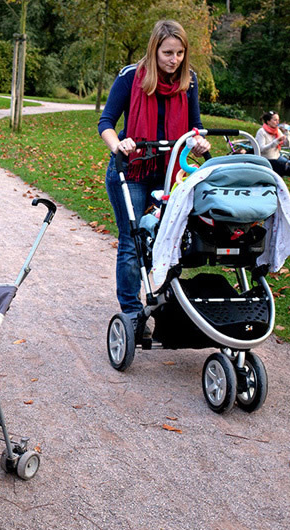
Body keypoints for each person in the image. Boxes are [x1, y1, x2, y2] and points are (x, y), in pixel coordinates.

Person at [98, 19, 211, 331]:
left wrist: (199, 140)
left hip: (171, 173)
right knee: (132, 241)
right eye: (167, 53)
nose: (173, 60)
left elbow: (195, 124)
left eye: (179, 53)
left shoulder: (190, 81)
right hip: (132, 169)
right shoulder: (131, 77)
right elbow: (105, 122)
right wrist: (118, 144)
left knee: (168, 239)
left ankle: (164, 304)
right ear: (154, 49)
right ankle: (132, 312)